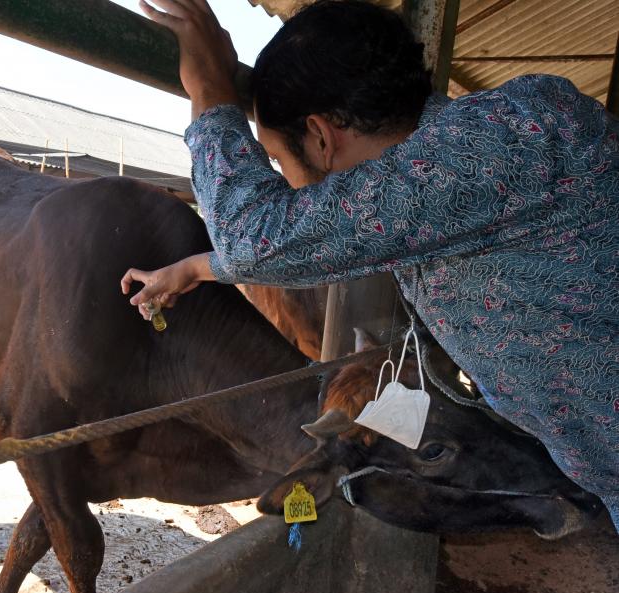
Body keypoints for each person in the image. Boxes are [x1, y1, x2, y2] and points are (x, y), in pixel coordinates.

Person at [120, 0, 619, 530]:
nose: (284, 181)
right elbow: (308, 238)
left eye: (276, 159)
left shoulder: (484, 147)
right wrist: (199, 267)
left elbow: (254, 238)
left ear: (320, 136)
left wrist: (211, 94)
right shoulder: (471, 165)